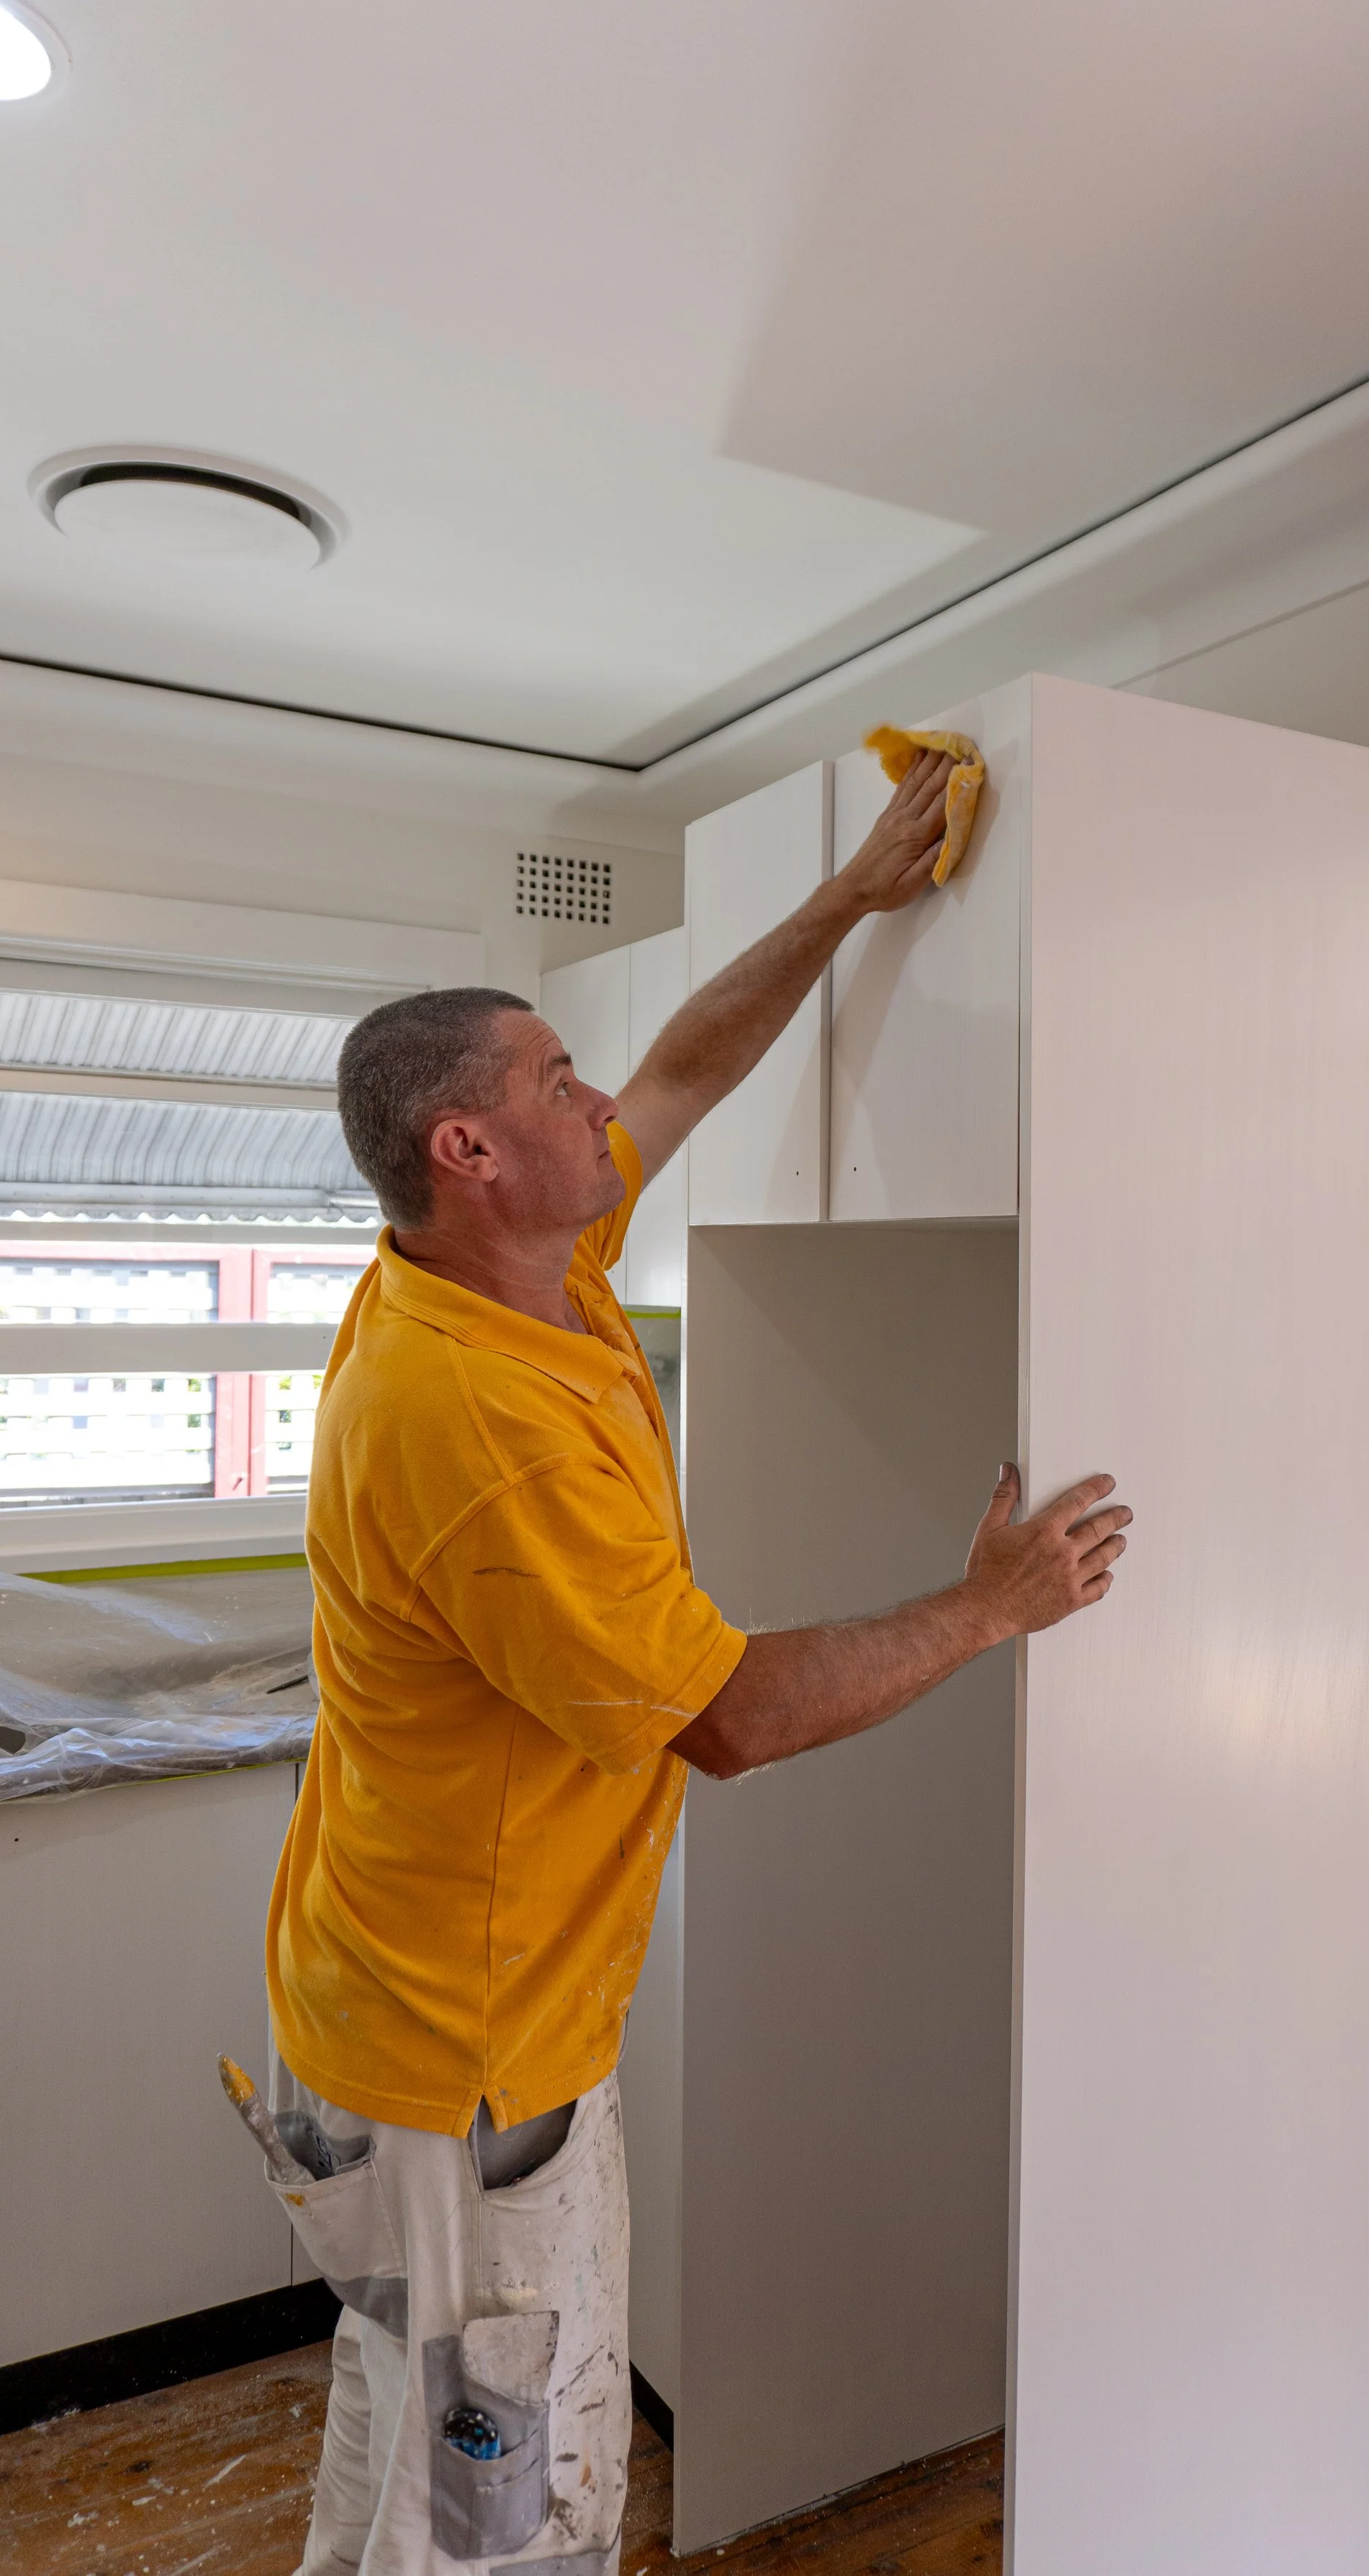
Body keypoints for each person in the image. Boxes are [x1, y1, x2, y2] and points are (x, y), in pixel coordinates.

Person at [264, 748, 1131, 2575]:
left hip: (412, 2023)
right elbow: (724, 1719)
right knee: (500, 2511)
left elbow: (683, 1068)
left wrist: (846, 897)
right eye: (552, 1082)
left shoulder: (514, 1264)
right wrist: (993, 1604)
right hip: (462, 2069)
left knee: (407, 2451)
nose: (600, 1097)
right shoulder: (468, 1418)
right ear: (469, 1149)